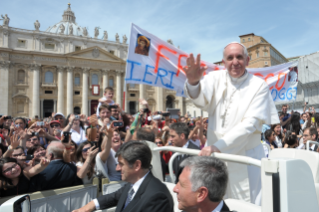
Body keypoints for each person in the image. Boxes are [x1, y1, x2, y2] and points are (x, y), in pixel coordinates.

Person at [183, 42, 279, 204]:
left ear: (247, 60)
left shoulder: (259, 86)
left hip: (245, 156)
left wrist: (219, 145)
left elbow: (250, 124)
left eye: (239, 57)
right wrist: (193, 83)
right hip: (215, 155)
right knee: (215, 200)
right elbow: (200, 101)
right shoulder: (214, 78)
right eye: (230, 58)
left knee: (246, 203)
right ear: (224, 61)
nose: (235, 61)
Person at [72, 141, 174, 212]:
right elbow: (113, 197)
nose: (117, 168)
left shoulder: (157, 197)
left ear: (137, 165)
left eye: (121, 164)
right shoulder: (133, 185)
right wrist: (88, 207)